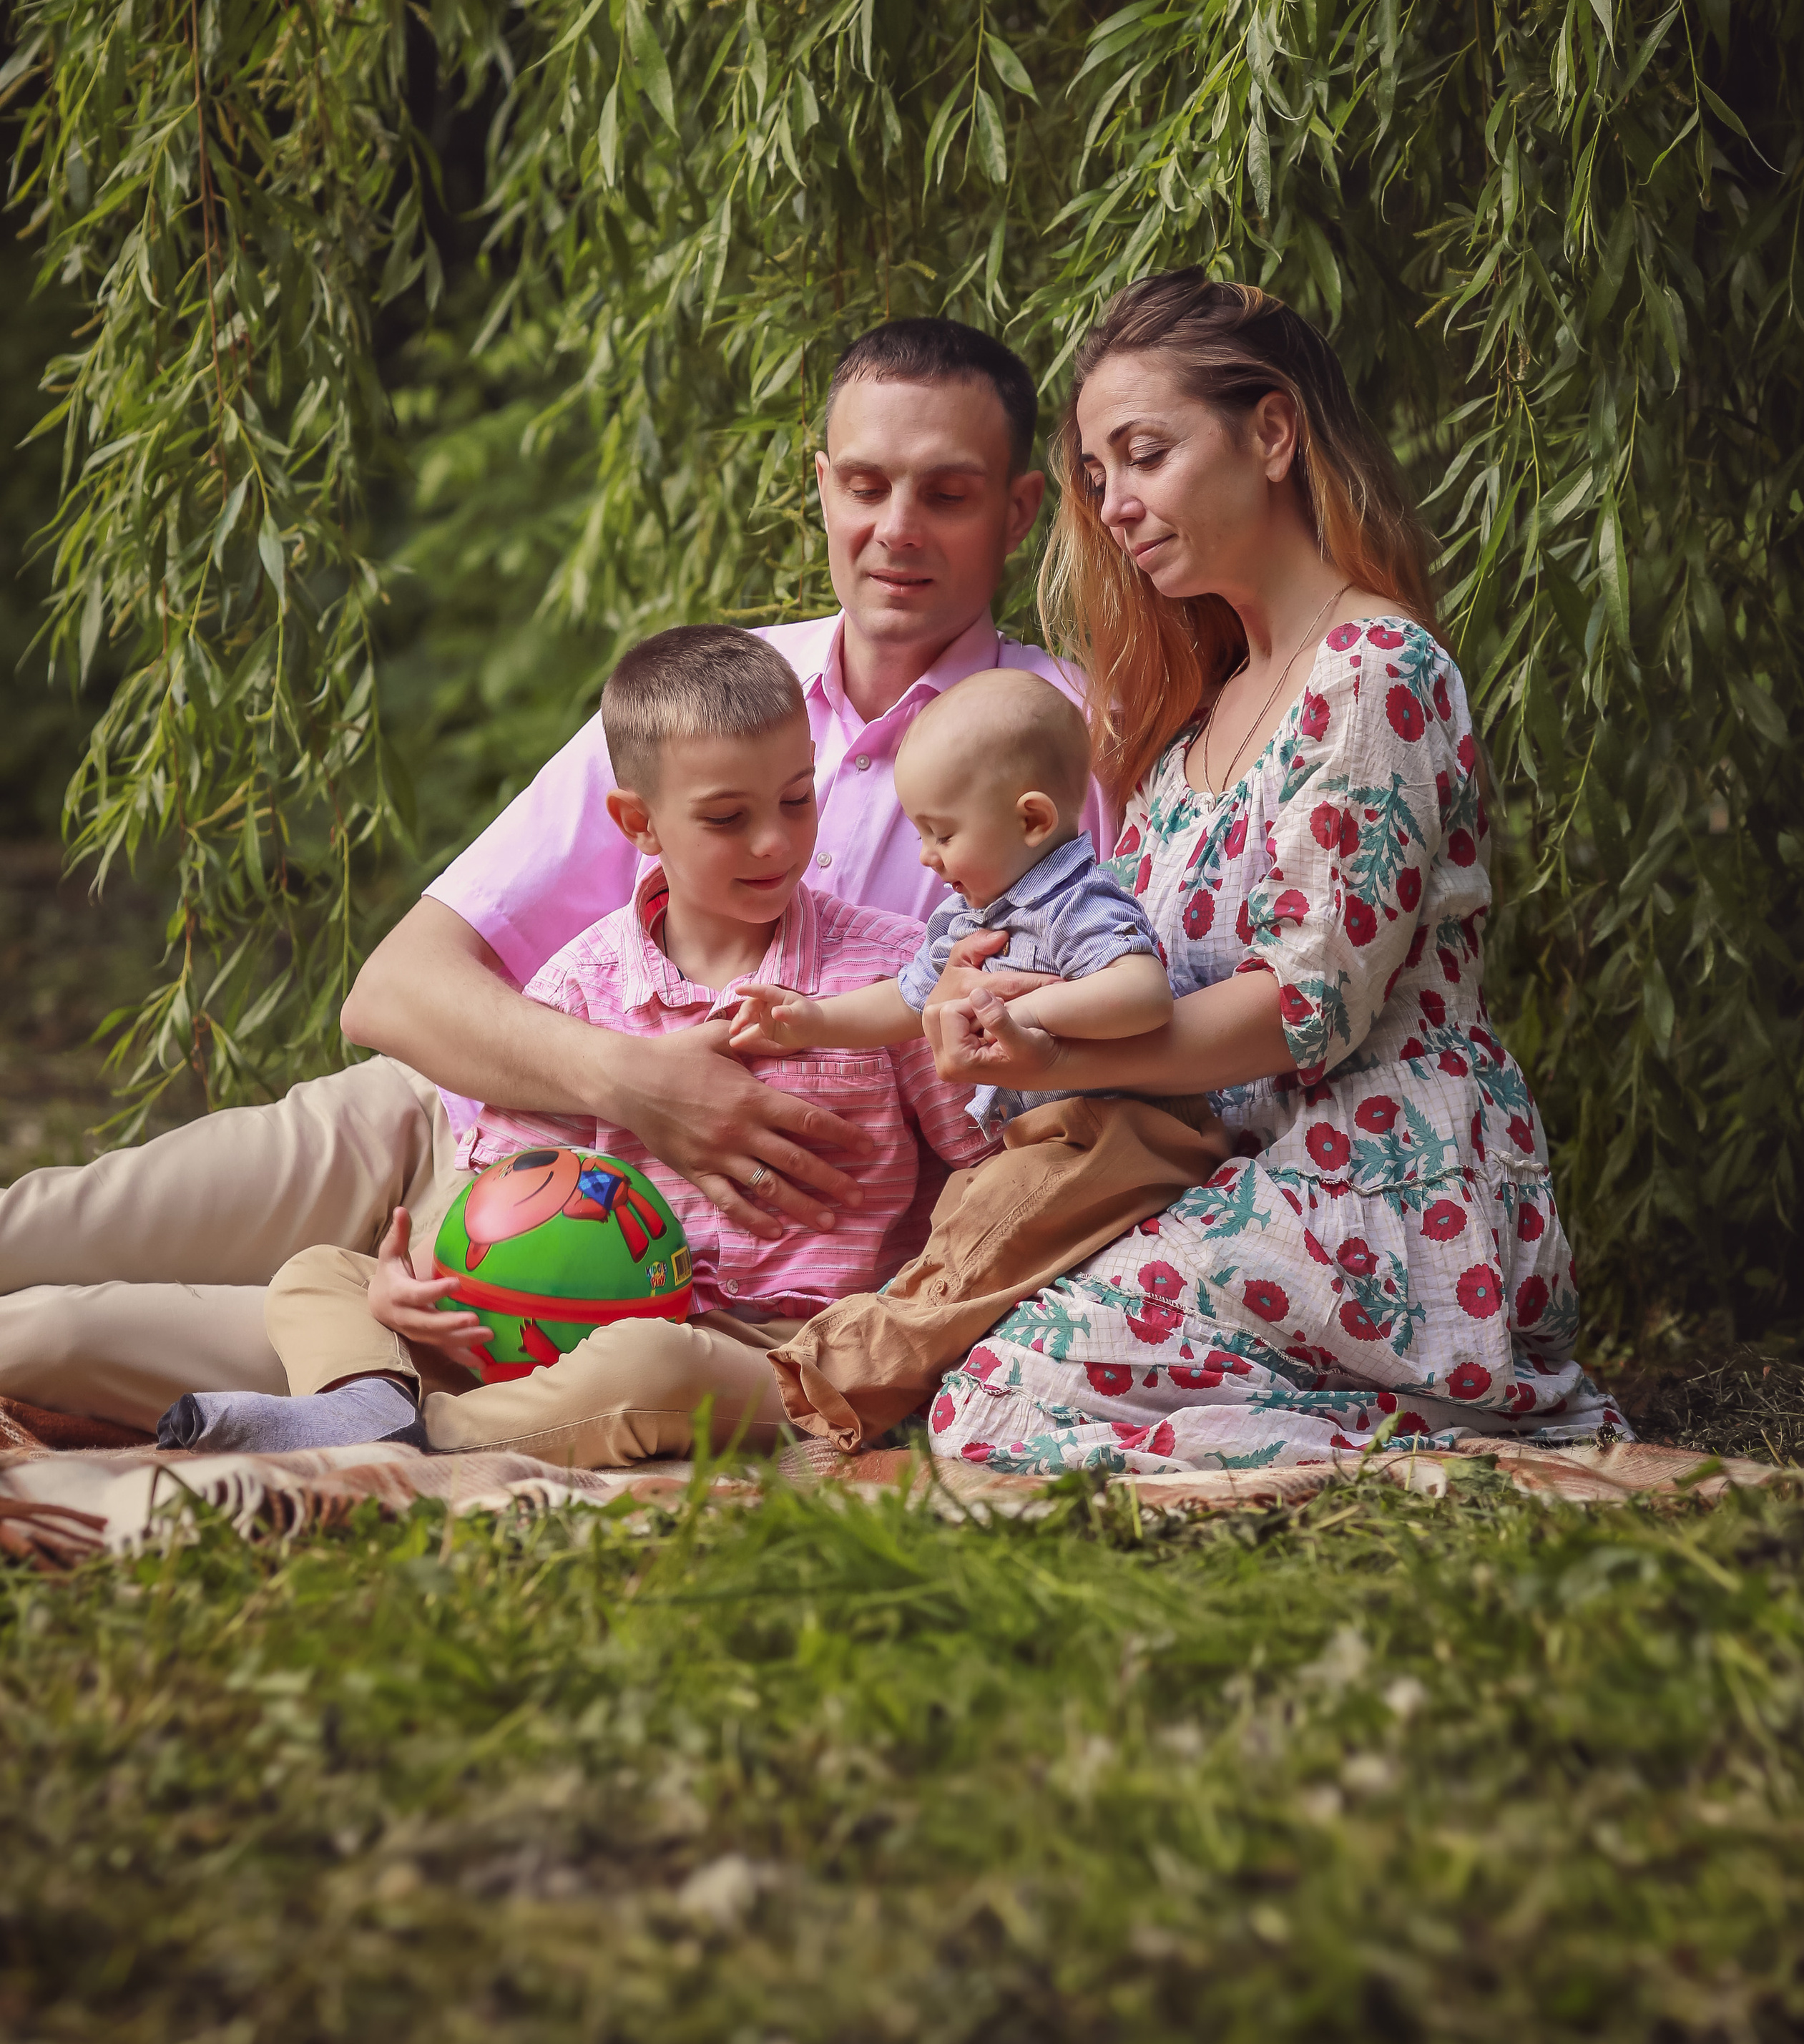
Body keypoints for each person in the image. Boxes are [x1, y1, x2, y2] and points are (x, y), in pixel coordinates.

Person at [0, 319, 1103, 1428]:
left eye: (946, 496)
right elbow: (394, 991)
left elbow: (1047, 1120)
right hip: (454, 1127)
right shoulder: (711, 695)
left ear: (1015, 512)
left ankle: (370, 1415)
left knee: (50, 1340)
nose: (894, 530)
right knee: (44, 1230)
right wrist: (634, 1084)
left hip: (668, 1285)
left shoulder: (1060, 746)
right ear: (821, 485)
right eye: (865, 484)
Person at [915, 271, 1630, 1472]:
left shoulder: (1373, 673)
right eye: (1097, 477)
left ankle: (1437, 1423)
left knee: (997, 1400)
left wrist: (1051, 1046)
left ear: (1275, 433)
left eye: (1145, 455)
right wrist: (988, 990)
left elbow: (1304, 1008)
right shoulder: (1197, 720)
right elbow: (1121, 958)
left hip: (1385, 1181)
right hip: (1232, 1172)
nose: (1115, 506)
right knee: (961, 1363)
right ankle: (1388, 1422)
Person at [157, 627, 988, 1467]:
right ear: (640, 823)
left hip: (789, 1349)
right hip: (572, 1320)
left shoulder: (891, 970)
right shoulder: (581, 984)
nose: (774, 841)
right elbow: (509, 1190)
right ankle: (366, 1396)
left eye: (797, 799)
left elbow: (983, 1164)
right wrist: (415, 1281)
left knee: (651, 1364)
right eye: (727, 818)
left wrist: (914, 1326)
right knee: (319, 1274)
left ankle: (417, 1434)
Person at [729, 665, 1224, 1449]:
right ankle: (904, 1375)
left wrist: (1017, 1007)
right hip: (1048, 1136)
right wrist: (810, 1022)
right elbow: (907, 1002)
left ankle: (846, 1371)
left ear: (1031, 819)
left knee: (989, 1231)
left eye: (941, 831)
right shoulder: (969, 917)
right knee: (959, 1219)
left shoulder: (1077, 901)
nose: (926, 856)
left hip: (1127, 1126)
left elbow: (1142, 993)